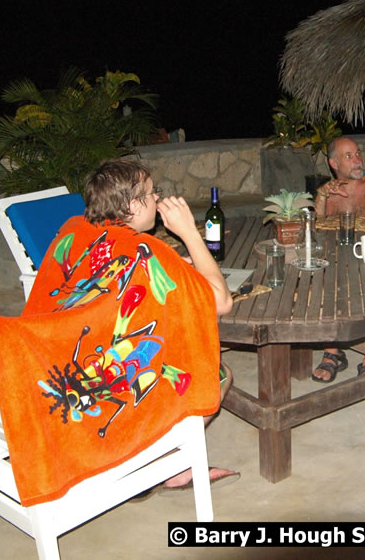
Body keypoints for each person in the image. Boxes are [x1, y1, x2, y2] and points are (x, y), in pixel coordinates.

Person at [80, 160, 238, 492]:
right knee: (219, 373)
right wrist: (190, 234)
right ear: (134, 205)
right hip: (125, 385)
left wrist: (178, 262)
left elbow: (144, 268)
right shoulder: (147, 250)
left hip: (82, 365)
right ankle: (163, 464)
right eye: (153, 194)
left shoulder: (84, 237)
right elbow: (221, 302)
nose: (157, 199)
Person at [311, 136, 365, 383]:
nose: (357, 159)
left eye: (358, 153)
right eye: (348, 156)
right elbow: (317, 230)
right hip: (338, 258)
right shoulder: (329, 192)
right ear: (333, 163)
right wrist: (320, 197)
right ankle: (333, 351)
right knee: (321, 276)